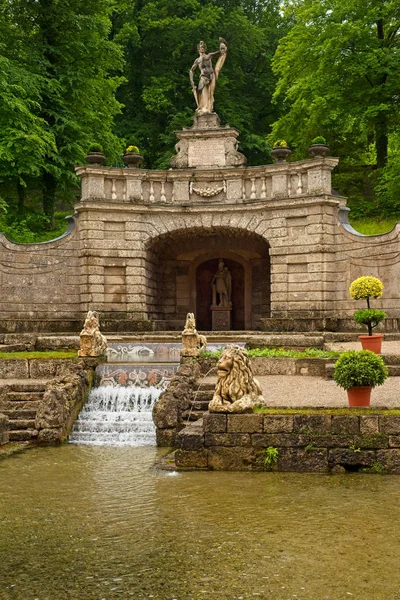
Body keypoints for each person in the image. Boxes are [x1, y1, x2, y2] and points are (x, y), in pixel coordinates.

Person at [189, 38, 227, 116]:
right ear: (198, 49)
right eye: (201, 47)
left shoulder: (209, 55)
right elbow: (191, 70)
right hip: (203, 77)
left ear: (205, 49)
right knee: (202, 92)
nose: (202, 49)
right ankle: (204, 108)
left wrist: (222, 47)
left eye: (203, 47)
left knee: (211, 93)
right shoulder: (197, 60)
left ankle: (208, 109)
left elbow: (218, 53)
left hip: (211, 76)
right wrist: (191, 81)